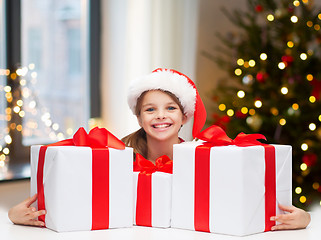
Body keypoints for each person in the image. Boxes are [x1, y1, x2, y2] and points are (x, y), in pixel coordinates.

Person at [9, 68, 310, 230]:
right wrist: (14, 214)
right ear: (139, 117)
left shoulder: (207, 161)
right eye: (150, 109)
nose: (161, 116)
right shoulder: (115, 158)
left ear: (184, 117)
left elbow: (244, 199)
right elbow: (67, 196)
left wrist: (304, 219)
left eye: (170, 108)